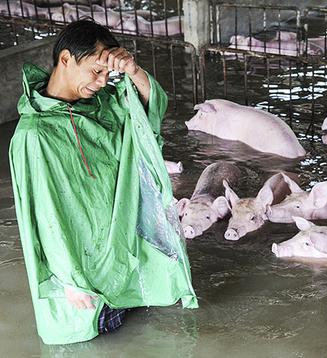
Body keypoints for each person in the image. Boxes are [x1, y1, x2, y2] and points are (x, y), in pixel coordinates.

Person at [9, 20, 198, 345]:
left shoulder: (106, 106)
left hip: (121, 256)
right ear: (66, 59)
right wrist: (68, 280)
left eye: (106, 74)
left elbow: (151, 112)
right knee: (92, 338)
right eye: (95, 71)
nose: (101, 82)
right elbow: (44, 216)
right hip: (81, 275)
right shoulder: (35, 135)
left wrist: (134, 71)